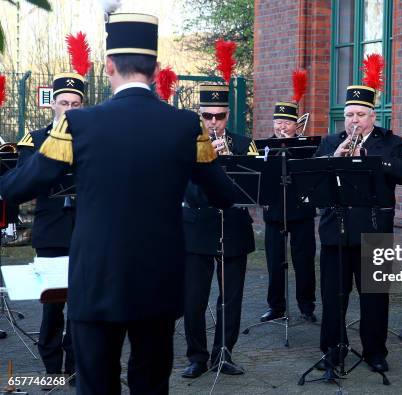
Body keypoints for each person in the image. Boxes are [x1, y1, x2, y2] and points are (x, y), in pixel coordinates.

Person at [0, 12, 236, 394]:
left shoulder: (79, 124)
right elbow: (224, 195)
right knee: (151, 384)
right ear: (156, 69)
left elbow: (19, 186)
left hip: (97, 276)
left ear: (109, 65)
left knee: (95, 384)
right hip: (159, 277)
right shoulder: (186, 125)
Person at [314, 84, 402, 372]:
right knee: (333, 296)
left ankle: (375, 352)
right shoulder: (331, 142)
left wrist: (370, 158)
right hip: (336, 232)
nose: (353, 120)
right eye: (349, 115)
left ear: (372, 116)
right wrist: (335, 158)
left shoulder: (391, 142)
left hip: (374, 231)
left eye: (359, 114)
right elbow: (314, 179)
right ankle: (333, 349)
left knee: (375, 297)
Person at [181, 83, 257, 378]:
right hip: (198, 227)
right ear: (199, 115)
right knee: (194, 298)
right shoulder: (186, 145)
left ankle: (223, 353)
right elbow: (188, 193)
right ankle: (197, 357)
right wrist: (206, 162)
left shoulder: (244, 144)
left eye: (220, 116)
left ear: (228, 116)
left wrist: (227, 164)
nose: (213, 123)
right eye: (207, 116)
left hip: (234, 227)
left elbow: (251, 191)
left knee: (231, 298)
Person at [15, 73, 85, 379]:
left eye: (75, 104)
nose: (68, 108)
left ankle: (75, 365)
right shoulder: (35, 139)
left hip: (86, 231)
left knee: (81, 304)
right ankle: (52, 367)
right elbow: (23, 182)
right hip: (51, 231)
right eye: (63, 103)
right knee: (53, 305)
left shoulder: (93, 137)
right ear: (52, 105)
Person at [260, 98, 317, 323]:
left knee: (304, 261)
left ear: (296, 125)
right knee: (274, 262)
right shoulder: (264, 147)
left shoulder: (306, 146)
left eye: (286, 122)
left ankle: (306, 305)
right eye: (278, 122)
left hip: (302, 212)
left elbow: (310, 176)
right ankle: (276, 306)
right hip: (274, 212)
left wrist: (292, 152)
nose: (281, 127)